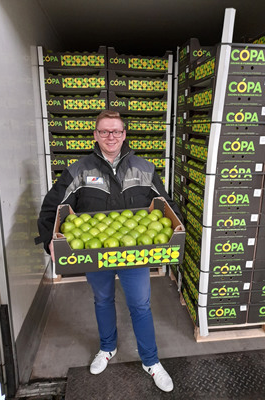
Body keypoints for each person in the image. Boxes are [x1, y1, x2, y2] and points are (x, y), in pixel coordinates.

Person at [36, 110, 181, 393]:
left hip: (134, 252)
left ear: (124, 134)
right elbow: (52, 205)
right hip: (94, 251)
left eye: (116, 131)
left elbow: (165, 204)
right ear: (95, 135)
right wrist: (49, 239)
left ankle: (151, 361)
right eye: (104, 131)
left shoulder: (144, 168)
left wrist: (178, 226)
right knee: (102, 300)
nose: (110, 136)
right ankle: (107, 348)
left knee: (140, 304)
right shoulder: (79, 170)